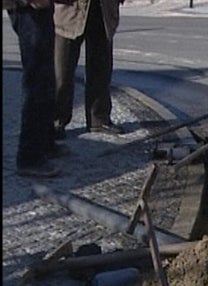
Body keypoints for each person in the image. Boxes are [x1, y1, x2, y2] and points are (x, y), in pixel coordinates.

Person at [5, 0, 69, 177]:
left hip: (38, 7)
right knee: (37, 81)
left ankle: (45, 143)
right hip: (27, 8)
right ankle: (29, 157)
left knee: (46, 78)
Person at [53, 0, 124, 139]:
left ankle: (98, 118)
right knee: (61, 72)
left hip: (103, 10)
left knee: (101, 71)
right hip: (70, 11)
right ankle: (56, 120)